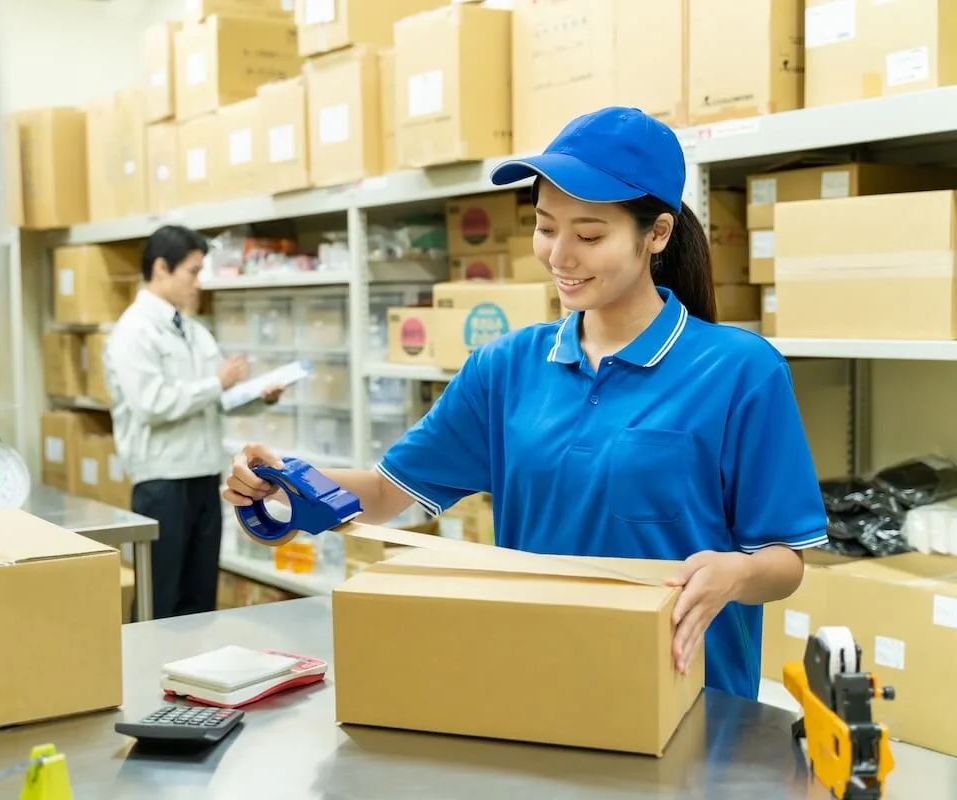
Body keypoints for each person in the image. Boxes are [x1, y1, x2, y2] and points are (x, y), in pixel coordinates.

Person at [223, 107, 828, 701]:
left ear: (658, 234)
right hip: (539, 684)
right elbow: (385, 495)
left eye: (589, 235)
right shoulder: (505, 369)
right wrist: (286, 483)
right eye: (545, 227)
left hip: (687, 697)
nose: (560, 255)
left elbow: (784, 560)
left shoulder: (738, 369)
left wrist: (736, 575)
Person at [104, 224, 284, 619]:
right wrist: (216, 382)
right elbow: (152, 404)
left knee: (201, 602)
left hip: (205, 478)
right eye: (193, 271)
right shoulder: (133, 332)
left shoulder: (196, 332)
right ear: (162, 268)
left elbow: (215, 401)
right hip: (162, 483)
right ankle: (149, 680)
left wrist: (256, 397)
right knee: (161, 601)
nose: (199, 283)